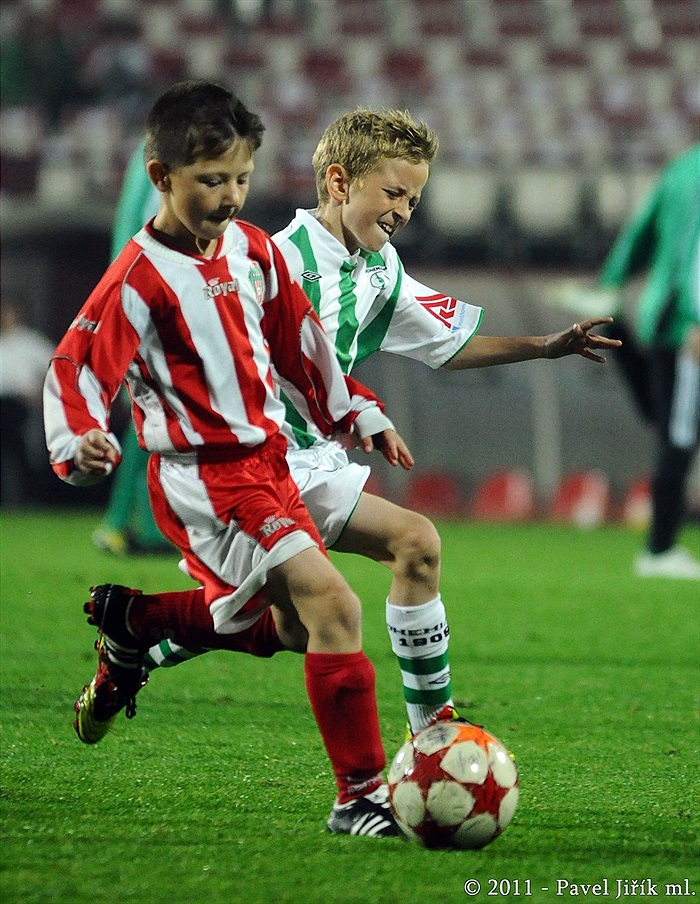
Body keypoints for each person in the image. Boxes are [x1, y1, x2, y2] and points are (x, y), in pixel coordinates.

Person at [72, 108, 621, 746]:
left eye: (413, 199)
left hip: (312, 463)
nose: (404, 211)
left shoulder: (382, 270)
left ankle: (430, 731)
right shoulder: (273, 260)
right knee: (312, 613)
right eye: (393, 193)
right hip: (252, 468)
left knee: (402, 555)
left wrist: (545, 346)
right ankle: (138, 630)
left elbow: (448, 344)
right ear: (339, 182)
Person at [44, 80, 418, 838]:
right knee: (337, 608)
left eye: (242, 178)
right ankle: (359, 798)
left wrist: (355, 409)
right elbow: (76, 368)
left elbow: (301, 341)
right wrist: (76, 443)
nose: (230, 196)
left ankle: (137, 622)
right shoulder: (140, 277)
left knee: (296, 629)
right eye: (212, 180)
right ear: (162, 176)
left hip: (269, 466)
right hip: (203, 480)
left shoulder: (251, 249)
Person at [598, 143, 700, 580]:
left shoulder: (681, 169)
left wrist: (610, 283)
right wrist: (695, 317)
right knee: (679, 434)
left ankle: (616, 331)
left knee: (668, 421)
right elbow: (696, 254)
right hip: (685, 325)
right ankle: (660, 548)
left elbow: (640, 232)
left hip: (660, 315)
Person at [91, 140, 172, 556]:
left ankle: (147, 528)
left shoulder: (161, 151)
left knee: (159, 415)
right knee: (155, 414)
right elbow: (131, 226)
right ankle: (118, 522)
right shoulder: (155, 152)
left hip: (157, 297)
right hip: (147, 300)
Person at [0, 298, 56, 505]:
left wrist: (41, 393)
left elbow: (55, 365)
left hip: (19, 406)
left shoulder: (29, 341)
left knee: (24, 453)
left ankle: (28, 499)